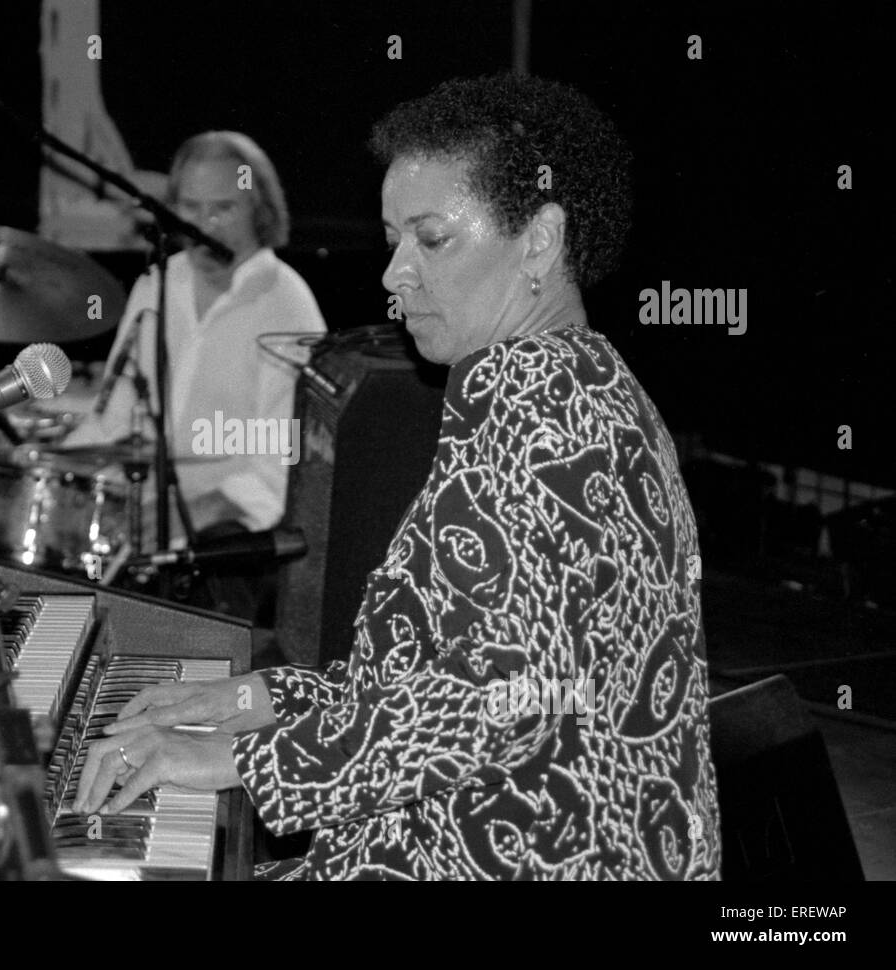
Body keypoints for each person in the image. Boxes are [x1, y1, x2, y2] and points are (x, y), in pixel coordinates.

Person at [71, 75, 722, 881]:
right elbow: (430, 676)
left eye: (432, 238)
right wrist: (253, 702)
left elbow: (499, 702)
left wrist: (245, 762)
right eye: (392, 239)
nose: (393, 274)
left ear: (541, 241)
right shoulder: (573, 381)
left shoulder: (540, 403)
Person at [62, 131, 327, 547]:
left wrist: (191, 516)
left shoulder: (286, 306)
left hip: (226, 547)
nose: (205, 225)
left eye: (224, 208)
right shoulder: (156, 284)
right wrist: (50, 465)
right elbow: (115, 419)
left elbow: (284, 462)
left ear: (259, 209)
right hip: (136, 524)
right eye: (191, 208)